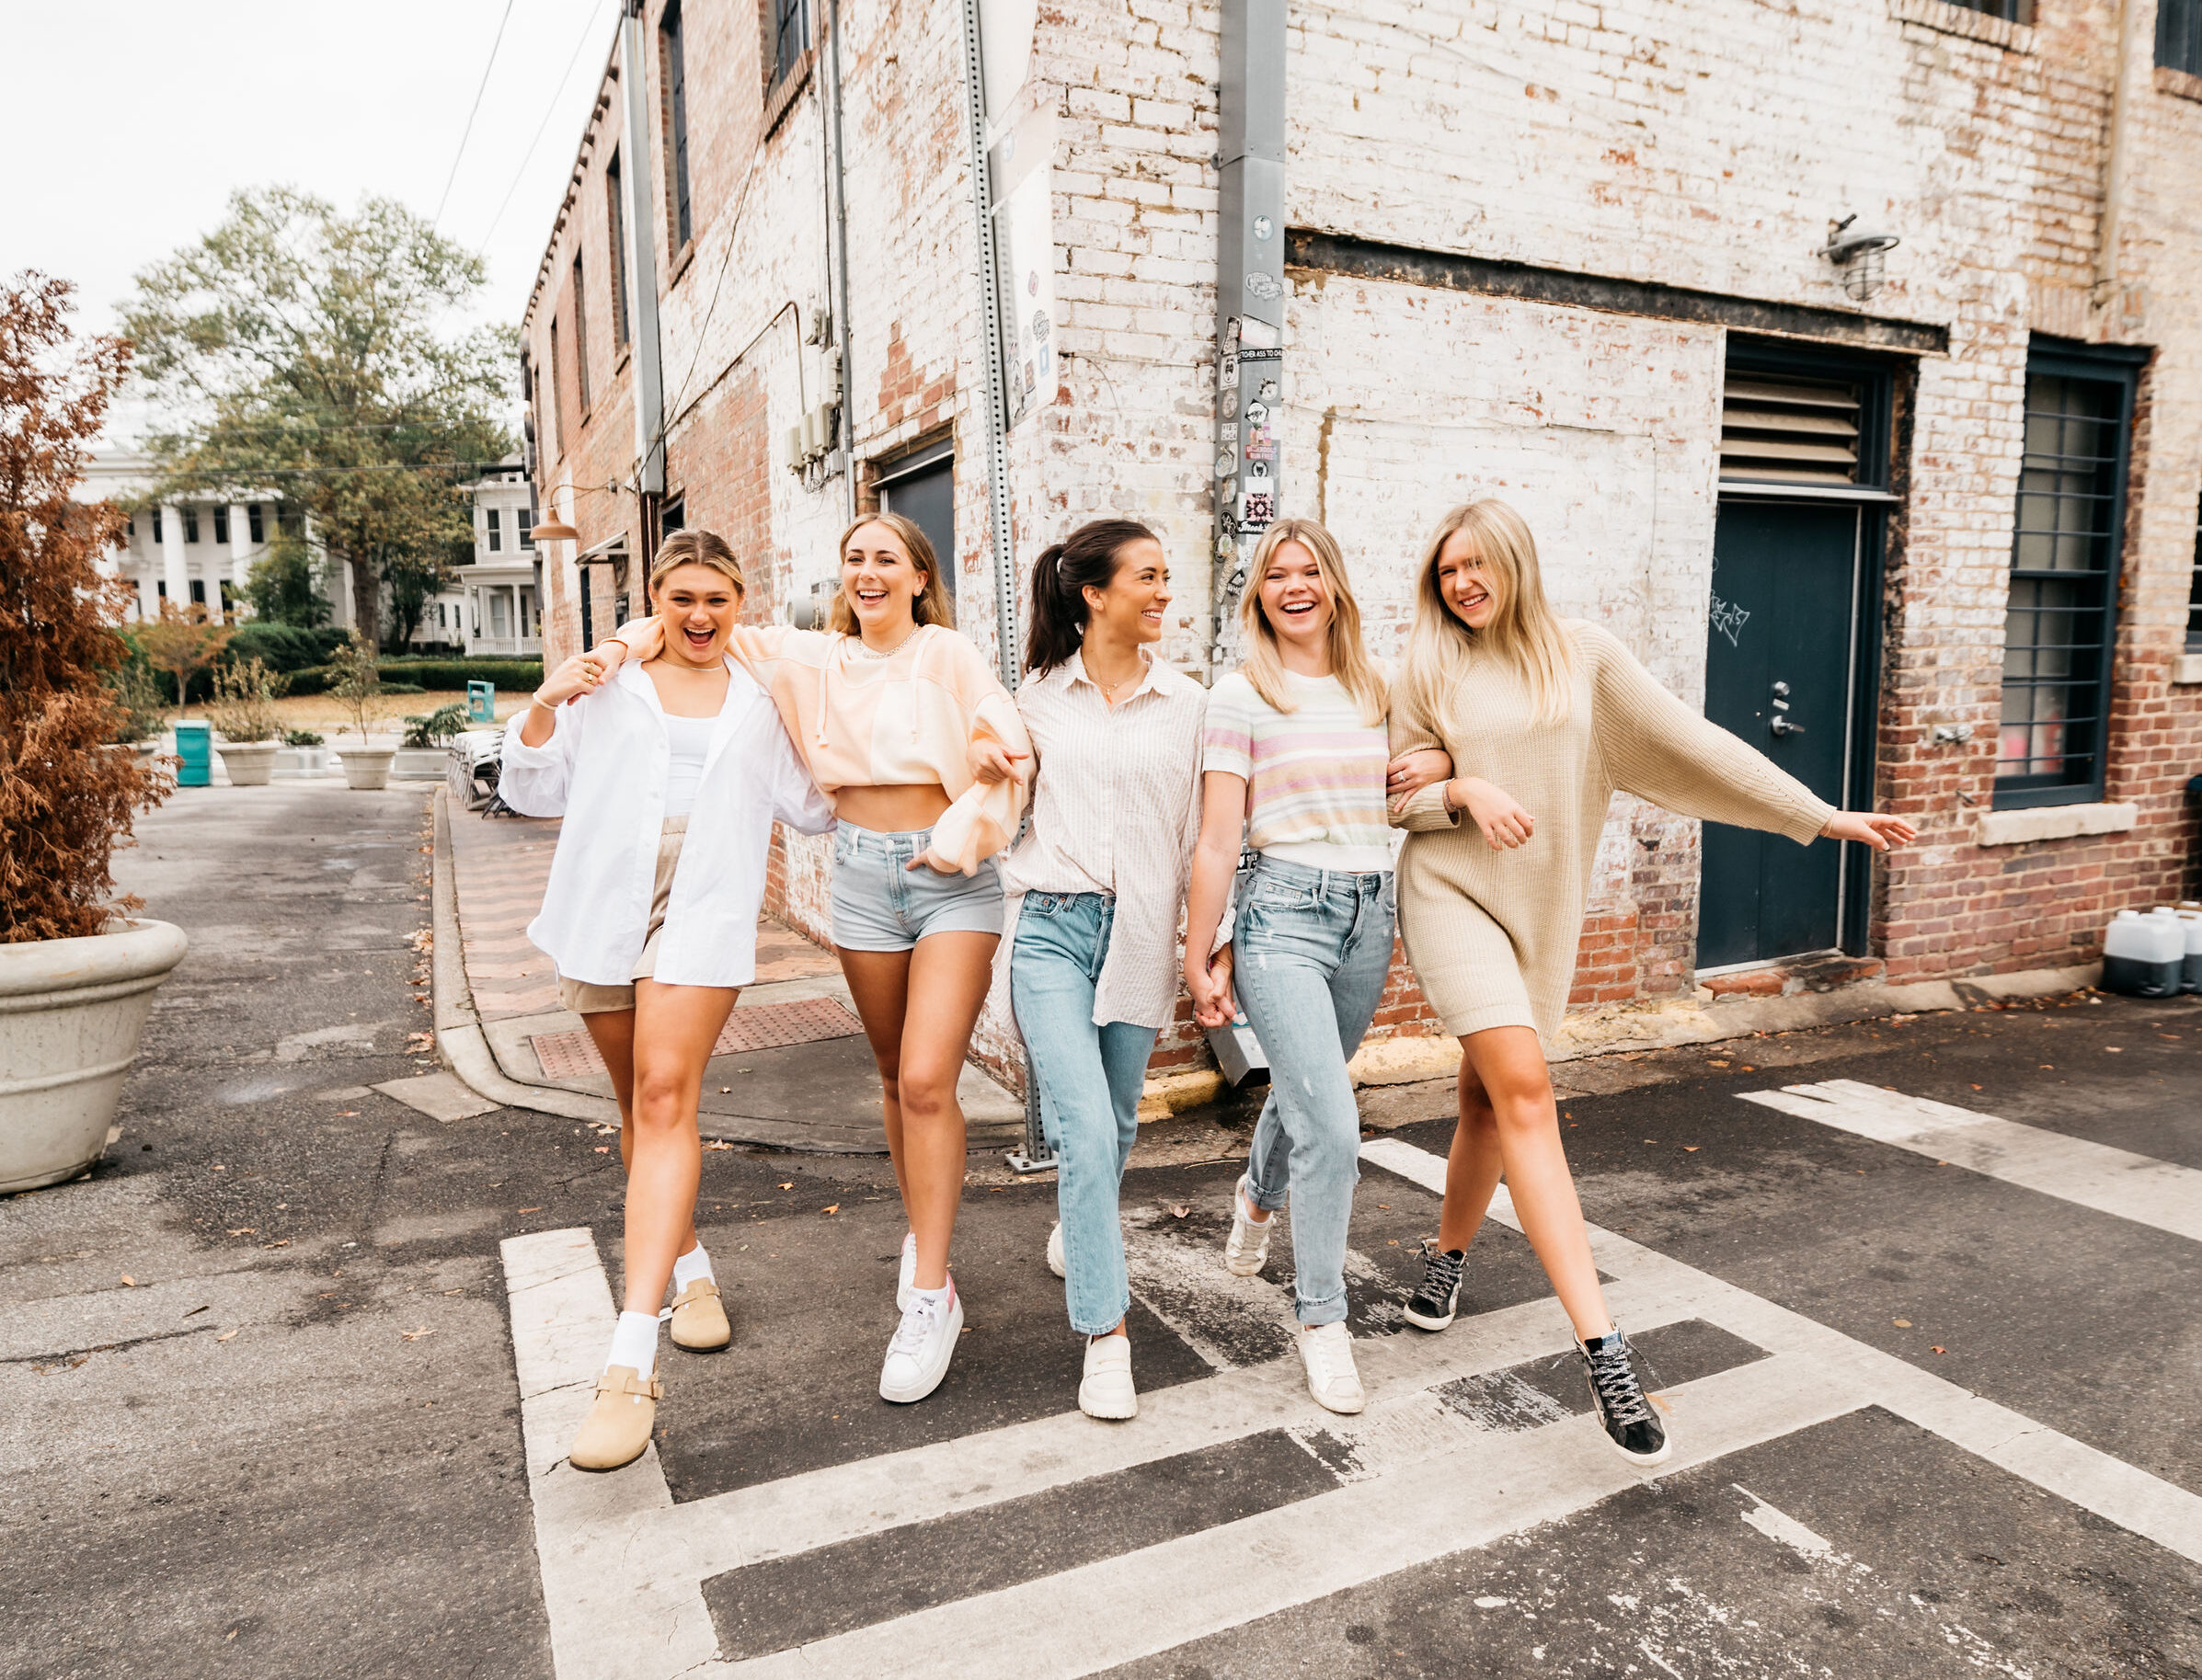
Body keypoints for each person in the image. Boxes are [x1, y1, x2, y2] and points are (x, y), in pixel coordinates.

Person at [1387, 495, 1917, 1467]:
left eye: (1476, 565)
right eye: (1446, 569)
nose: (1461, 583)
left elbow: (1689, 742)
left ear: (1515, 564)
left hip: (1541, 912)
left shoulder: (1581, 655)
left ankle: (1445, 1262)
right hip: (1451, 892)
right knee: (1527, 1094)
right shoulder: (1428, 664)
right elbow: (1394, 793)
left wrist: (1818, 816)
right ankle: (1605, 1354)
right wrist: (1458, 788)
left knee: (1481, 1101)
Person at [591, 512, 1031, 1405]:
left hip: (949, 877)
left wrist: (992, 757)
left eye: (886, 560)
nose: (867, 572)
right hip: (862, 878)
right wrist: (611, 649)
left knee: (923, 1081)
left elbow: (1006, 735)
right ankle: (926, 1233)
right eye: (855, 559)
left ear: (918, 577)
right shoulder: (809, 658)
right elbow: (684, 621)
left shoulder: (947, 654)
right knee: (887, 1072)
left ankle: (929, 1292)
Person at [499, 531, 834, 1472]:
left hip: (704, 913)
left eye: (716, 600)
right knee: (633, 1109)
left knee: (662, 1100)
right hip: (603, 904)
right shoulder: (611, 685)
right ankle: (689, 1271)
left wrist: (817, 712)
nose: (698, 616)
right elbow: (532, 790)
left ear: (740, 601)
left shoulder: (764, 694)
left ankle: (629, 1359)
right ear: (654, 598)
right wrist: (544, 701)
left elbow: (812, 808)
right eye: (681, 598)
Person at [1181, 518, 1458, 1416]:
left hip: (1370, 913)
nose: (1293, 586)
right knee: (1334, 1127)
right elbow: (1220, 835)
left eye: (1308, 571)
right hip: (1282, 915)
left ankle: (1256, 1197)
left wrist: (1446, 761)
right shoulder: (1240, 694)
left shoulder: (1380, 689)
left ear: (1335, 585)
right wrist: (1199, 951)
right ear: (1258, 595)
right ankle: (1322, 1319)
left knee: (1308, 1095)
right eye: (1275, 575)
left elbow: (1422, 776)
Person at [985, 518, 1208, 1420]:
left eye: (1165, 576)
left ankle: (1079, 1232)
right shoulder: (1033, 700)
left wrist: (1206, 945)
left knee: (1114, 1125)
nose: (1163, 592)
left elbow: (1200, 839)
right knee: (1082, 1126)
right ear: (1095, 593)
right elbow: (999, 812)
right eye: (1148, 576)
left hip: (1142, 934)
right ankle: (1105, 1337)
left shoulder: (1190, 705)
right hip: (1048, 929)